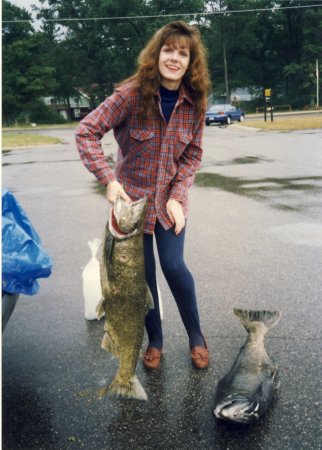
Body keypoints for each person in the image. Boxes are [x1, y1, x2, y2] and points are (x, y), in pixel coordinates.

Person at [75, 20, 211, 370]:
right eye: (169, 50)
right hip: (130, 206)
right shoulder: (130, 95)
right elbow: (87, 131)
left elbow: (192, 155)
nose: (174, 58)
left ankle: (197, 337)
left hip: (169, 204)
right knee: (142, 275)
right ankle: (156, 340)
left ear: (191, 61)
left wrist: (178, 197)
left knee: (174, 266)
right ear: (157, 54)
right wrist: (107, 178)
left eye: (183, 53)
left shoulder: (195, 101)